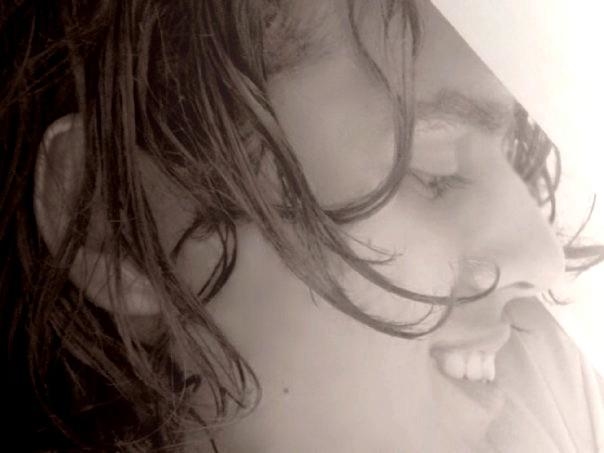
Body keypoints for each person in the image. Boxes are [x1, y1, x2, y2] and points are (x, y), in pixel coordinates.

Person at [1, 0, 602, 451]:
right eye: (433, 170)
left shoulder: (554, 391)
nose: (544, 260)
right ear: (118, 223)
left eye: (514, 157)